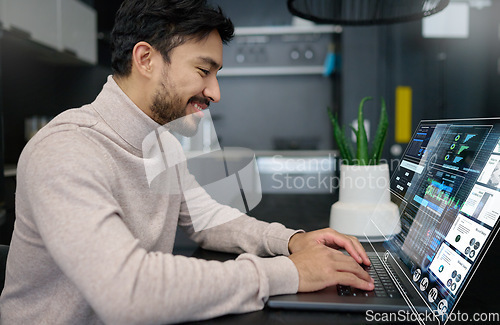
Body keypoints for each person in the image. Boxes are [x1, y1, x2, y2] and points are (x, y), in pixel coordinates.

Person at [0, 0, 374, 324]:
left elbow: (206, 218)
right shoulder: (66, 150)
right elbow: (127, 292)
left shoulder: (162, 142)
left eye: (216, 74)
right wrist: (289, 272)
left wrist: (291, 241)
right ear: (145, 59)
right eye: (203, 71)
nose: (215, 92)